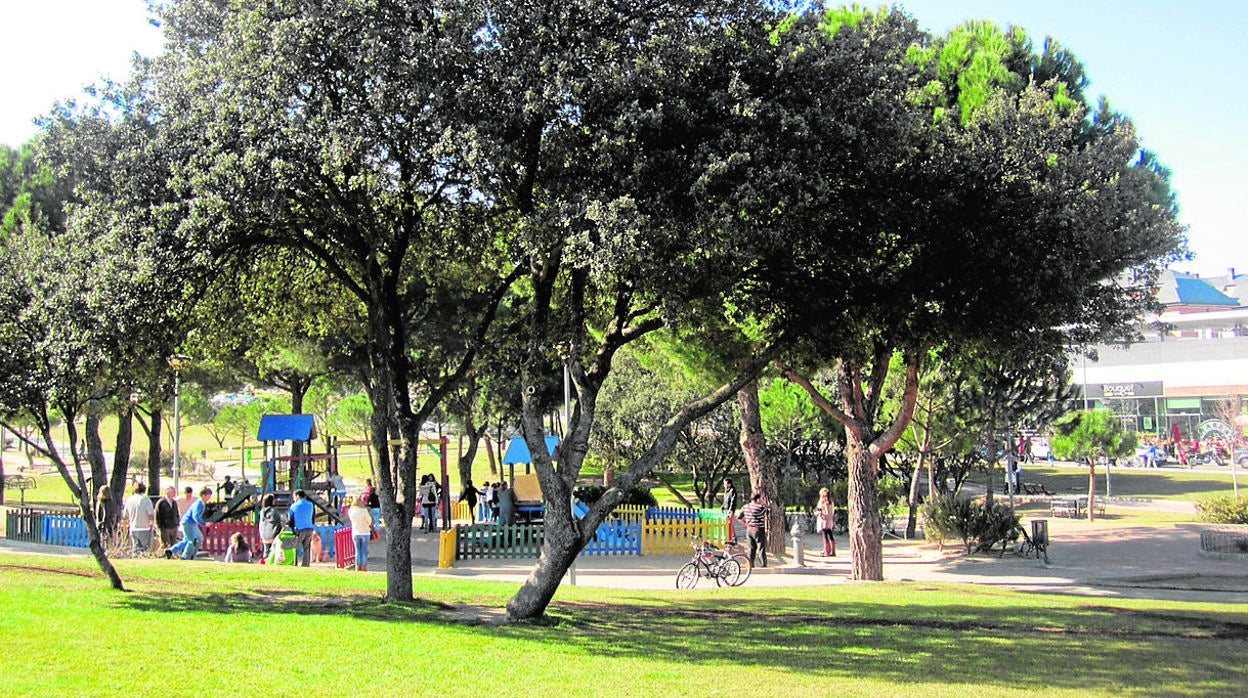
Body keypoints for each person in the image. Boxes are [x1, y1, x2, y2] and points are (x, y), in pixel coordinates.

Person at [168, 487, 213, 560]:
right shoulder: (199, 503)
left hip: (192, 523)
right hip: (188, 523)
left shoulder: (201, 503)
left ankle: (171, 551)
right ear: (203, 495)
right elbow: (195, 516)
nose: (209, 497)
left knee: (197, 538)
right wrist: (204, 523)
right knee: (192, 540)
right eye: (209, 495)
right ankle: (185, 557)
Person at [122, 482, 156, 555]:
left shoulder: (129, 500)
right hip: (145, 528)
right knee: (145, 549)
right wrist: (152, 524)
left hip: (133, 528)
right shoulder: (146, 500)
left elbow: (125, 516)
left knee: (136, 548)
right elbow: (151, 515)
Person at [739, 491, 771, 568]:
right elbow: (769, 510)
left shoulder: (745, 507)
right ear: (757, 499)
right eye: (761, 499)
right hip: (758, 529)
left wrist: (746, 525)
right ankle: (763, 564)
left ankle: (750, 564)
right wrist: (764, 503)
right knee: (761, 548)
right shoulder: (761, 508)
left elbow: (739, 518)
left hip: (749, 529)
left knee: (751, 548)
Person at [288, 489, 317, 567]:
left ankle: (295, 563)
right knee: (306, 548)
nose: (294, 499)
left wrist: (292, 528)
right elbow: (313, 516)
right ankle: (306, 564)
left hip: (299, 529)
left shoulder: (294, 506)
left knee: (295, 548)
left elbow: (290, 519)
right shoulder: (311, 504)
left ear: (297, 496)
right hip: (309, 528)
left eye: (294, 497)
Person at [347, 495, 373, 572]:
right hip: (365, 532)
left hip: (355, 532)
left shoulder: (350, 511)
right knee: (364, 551)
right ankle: (364, 567)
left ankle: (357, 567)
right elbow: (369, 521)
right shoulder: (363, 510)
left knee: (357, 551)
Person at [257, 493, 285, 558]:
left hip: (264, 535)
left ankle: (265, 561)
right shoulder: (274, 511)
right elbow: (277, 522)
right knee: (274, 552)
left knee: (266, 551)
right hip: (273, 534)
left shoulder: (262, 512)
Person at [154, 486, 181, 552]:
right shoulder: (161, 502)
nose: (175, 493)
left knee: (173, 544)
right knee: (165, 544)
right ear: (168, 492)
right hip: (165, 527)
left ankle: (173, 555)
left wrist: (177, 522)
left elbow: (176, 513)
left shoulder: (174, 502)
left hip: (174, 526)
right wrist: (159, 527)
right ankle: (162, 555)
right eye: (173, 492)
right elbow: (157, 515)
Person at [814, 486, 836, 557]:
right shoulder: (831, 502)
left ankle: (826, 552)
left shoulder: (824, 503)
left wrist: (820, 513)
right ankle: (832, 551)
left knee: (825, 537)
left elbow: (826, 513)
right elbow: (831, 512)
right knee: (830, 536)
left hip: (824, 521)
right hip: (829, 521)